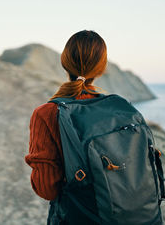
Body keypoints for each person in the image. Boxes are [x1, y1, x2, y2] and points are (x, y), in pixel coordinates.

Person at [24, 30, 108, 224]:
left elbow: (46, 189)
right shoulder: (121, 108)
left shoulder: (46, 113)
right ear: (101, 69)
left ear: (64, 63)